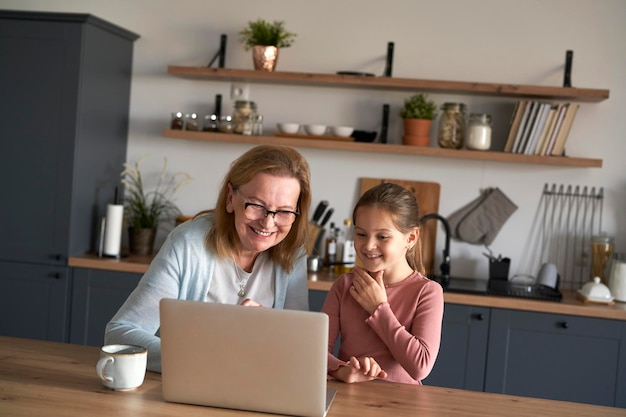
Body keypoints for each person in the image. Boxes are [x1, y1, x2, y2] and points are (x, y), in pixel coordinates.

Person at [105, 144, 312, 372]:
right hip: (190, 387)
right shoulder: (188, 244)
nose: (268, 222)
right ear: (230, 197)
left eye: (283, 211)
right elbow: (119, 334)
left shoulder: (293, 254)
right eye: (256, 205)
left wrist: (270, 330)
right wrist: (204, 358)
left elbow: (299, 348)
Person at [322, 182, 444, 384]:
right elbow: (314, 351)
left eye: (382, 236)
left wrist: (378, 308)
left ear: (411, 237)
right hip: (348, 400)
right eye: (361, 234)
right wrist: (342, 370)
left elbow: (420, 367)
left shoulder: (427, 292)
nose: (368, 245)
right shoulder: (343, 285)